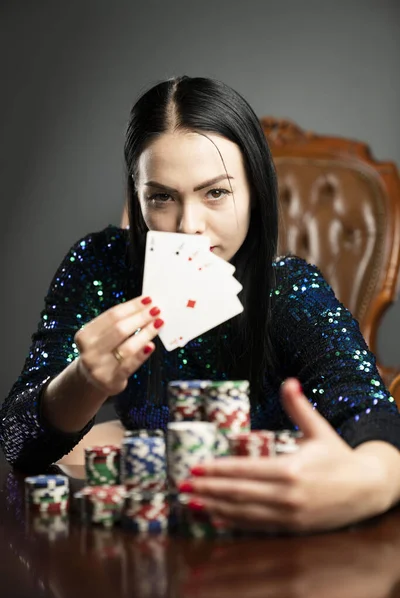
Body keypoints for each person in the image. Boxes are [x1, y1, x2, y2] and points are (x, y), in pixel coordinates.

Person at [1, 76, 400, 534]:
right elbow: (16, 441)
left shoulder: (290, 289)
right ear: (137, 196)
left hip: (274, 539)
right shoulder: (99, 265)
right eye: (162, 197)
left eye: (216, 192)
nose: (189, 226)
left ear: (255, 193)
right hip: (152, 549)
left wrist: (374, 481)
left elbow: (375, 416)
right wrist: (84, 380)